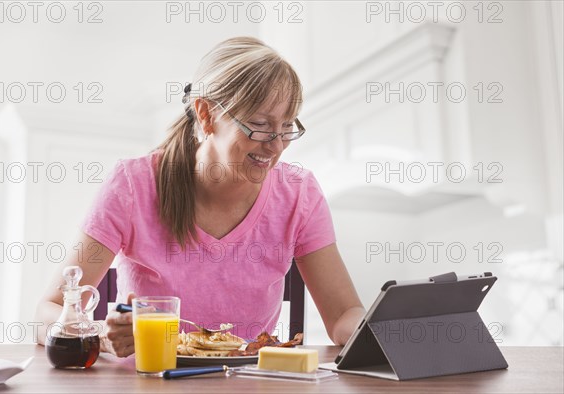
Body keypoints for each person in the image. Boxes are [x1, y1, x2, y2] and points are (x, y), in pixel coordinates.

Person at [35, 36, 365, 357]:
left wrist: (384, 332)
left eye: (287, 126)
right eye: (260, 125)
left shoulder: (298, 193)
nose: (276, 145)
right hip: (152, 383)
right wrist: (99, 336)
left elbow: (342, 315)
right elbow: (46, 312)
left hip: (249, 383)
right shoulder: (133, 185)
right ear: (206, 115)